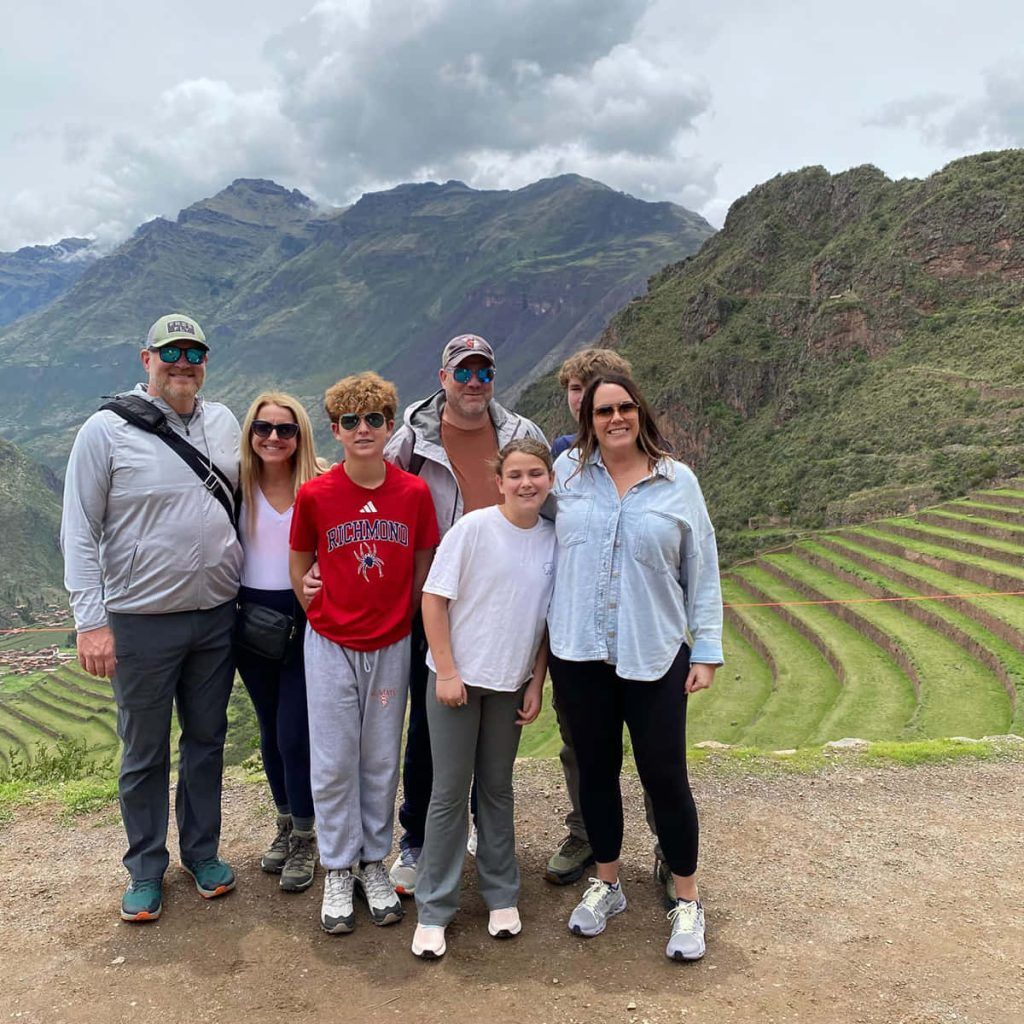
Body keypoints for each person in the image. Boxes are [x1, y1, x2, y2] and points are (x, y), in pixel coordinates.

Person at [61, 312, 242, 922]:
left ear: (205, 362)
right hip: (139, 619)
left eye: (194, 353)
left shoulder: (224, 422)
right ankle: (144, 867)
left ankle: (202, 853)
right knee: (144, 750)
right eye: (171, 353)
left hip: (216, 615)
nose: (183, 364)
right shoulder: (104, 431)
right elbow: (79, 530)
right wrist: (91, 622)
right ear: (147, 360)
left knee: (207, 741)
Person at [547, 373, 723, 962]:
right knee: (595, 774)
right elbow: (531, 540)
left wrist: (706, 649)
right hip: (579, 655)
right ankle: (608, 882)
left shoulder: (678, 482)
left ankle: (687, 898)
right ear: (588, 420)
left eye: (625, 407)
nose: (615, 418)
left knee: (665, 776)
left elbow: (702, 566)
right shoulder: (567, 475)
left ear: (641, 412)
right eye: (603, 411)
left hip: (654, 654)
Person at [381, 334, 546, 896]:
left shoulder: (520, 434)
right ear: (443, 377)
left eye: (484, 372)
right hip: (433, 602)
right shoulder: (412, 438)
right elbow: (375, 497)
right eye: (463, 372)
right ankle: (417, 840)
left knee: (492, 732)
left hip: (500, 610)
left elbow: (548, 508)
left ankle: (479, 833)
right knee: (430, 729)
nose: (474, 382)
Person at [289, 372, 439, 935]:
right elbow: (299, 560)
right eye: (350, 422)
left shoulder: (413, 493)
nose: (362, 430)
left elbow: (423, 562)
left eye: (373, 419)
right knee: (333, 760)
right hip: (331, 644)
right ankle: (337, 866)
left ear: (389, 425)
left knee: (378, 758)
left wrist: (404, 615)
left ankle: (373, 861)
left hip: (390, 644)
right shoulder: (316, 495)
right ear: (335, 430)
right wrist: (315, 606)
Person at [411, 438, 556, 959]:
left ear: (550, 480)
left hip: (510, 683)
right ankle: (434, 907)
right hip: (458, 681)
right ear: (499, 482)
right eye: (515, 474)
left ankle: (501, 894)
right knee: (450, 793)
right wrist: (447, 671)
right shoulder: (474, 529)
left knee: (496, 788)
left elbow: (545, 622)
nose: (525, 483)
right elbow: (433, 599)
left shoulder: (552, 541)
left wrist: (535, 682)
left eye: (535, 473)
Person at [544, 347, 634, 887]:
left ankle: (669, 845)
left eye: (593, 389)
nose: (582, 399)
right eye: (576, 390)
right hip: (576, 634)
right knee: (578, 743)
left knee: (653, 749)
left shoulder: (653, 459)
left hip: (637, 634)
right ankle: (586, 832)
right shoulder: (560, 460)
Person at [236, 392, 325, 893]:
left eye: (285, 429)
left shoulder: (320, 483)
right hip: (252, 620)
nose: (273, 437)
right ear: (250, 433)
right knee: (270, 729)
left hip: (305, 615)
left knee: (295, 732)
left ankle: (306, 835)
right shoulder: (236, 487)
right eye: (263, 428)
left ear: (299, 435)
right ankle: (287, 822)